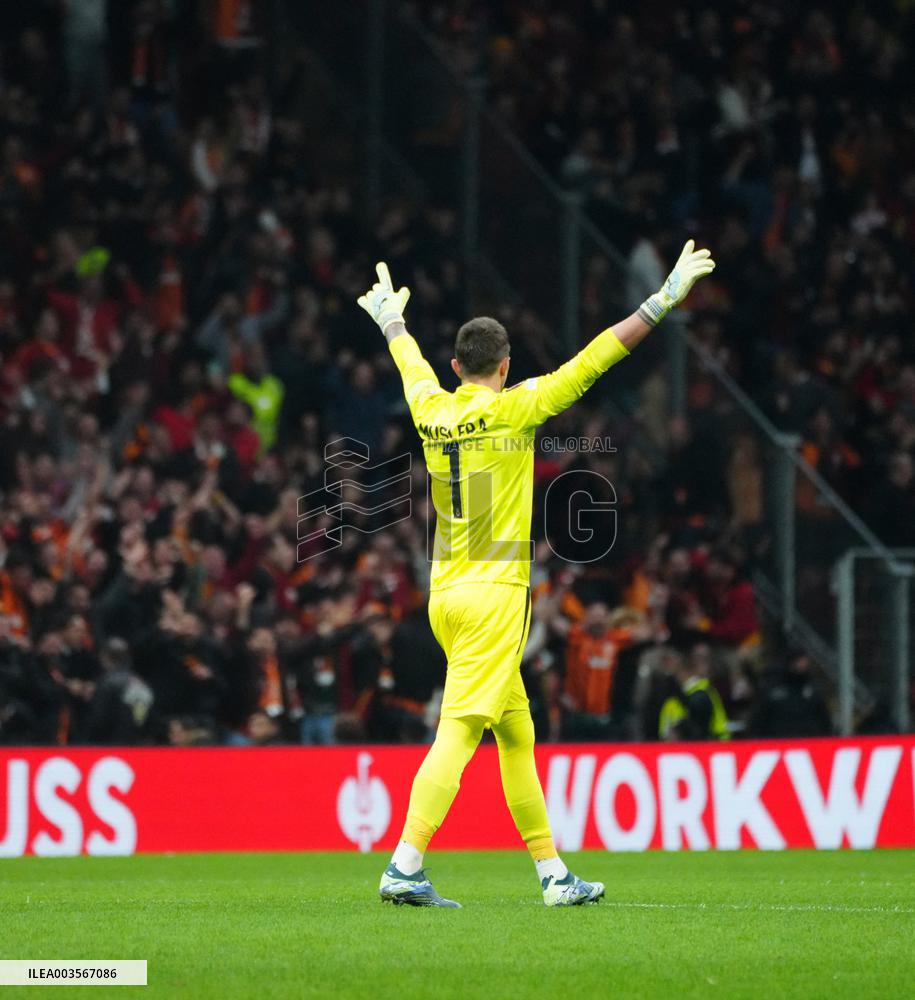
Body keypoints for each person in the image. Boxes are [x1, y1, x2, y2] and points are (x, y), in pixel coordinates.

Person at [356, 242, 715, 907]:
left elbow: (411, 368)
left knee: (515, 732)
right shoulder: (517, 406)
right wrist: (661, 301)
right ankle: (404, 862)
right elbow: (595, 358)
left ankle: (552, 875)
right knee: (460, 729)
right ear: (506, 365)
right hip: (493, 596)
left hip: (446, 594)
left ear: (459, 365)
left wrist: (392, 325)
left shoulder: (431, 409)